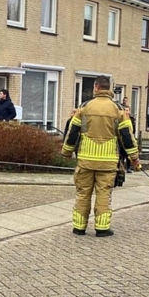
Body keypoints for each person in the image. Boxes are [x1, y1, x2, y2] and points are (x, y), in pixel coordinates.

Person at [62, 75, 140, 237]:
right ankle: (102, 228)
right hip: (108, 161)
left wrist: (67, 152)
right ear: (109, 88)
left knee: (83, 193)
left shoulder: (84, 107)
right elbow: (127, 136)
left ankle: (79, 227)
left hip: (85, 160)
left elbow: (73, 132)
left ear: (96, 87)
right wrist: (134, 159)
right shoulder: (118, 109)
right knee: (104, 194)